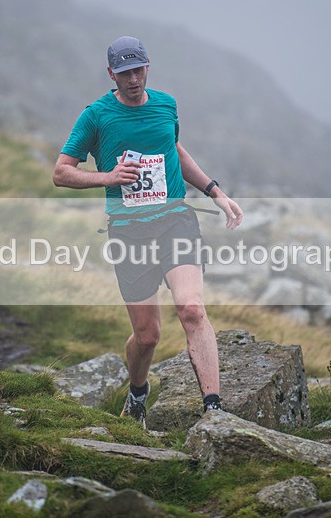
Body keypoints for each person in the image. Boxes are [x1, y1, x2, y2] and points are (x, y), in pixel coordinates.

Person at [53, 36, 243, 428]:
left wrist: (216, 193)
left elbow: (175, 150)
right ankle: (138, 393)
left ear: (147, 66)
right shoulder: (96, 116)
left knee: (192, 309)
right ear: (111, 74)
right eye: (125, 73)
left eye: (138, 70)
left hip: (175, 220)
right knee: (147, 336)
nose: (133, 79)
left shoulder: (166, 104)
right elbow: (61, 172)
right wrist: (108, 177)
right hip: (128, 232)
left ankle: (214, 412)